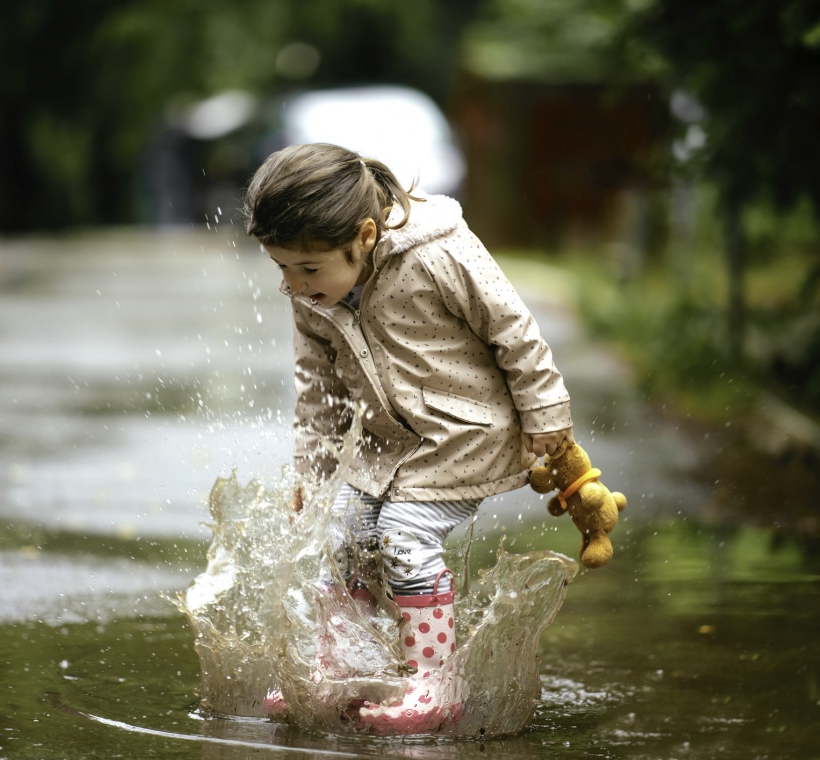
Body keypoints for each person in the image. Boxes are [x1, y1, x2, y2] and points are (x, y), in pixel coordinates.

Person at [243, 142, 574, 734]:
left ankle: (434, 683)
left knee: (401, 537)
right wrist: (310, 470)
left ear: (365, 235)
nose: (292, 285)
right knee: (340, 533)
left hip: (464, 435)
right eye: (282, 269)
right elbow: (317, 387)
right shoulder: (311, 293)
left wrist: (545, 410)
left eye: (307, 268)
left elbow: (513, 330)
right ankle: (344, 669)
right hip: (388, 446)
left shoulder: (437, 254)